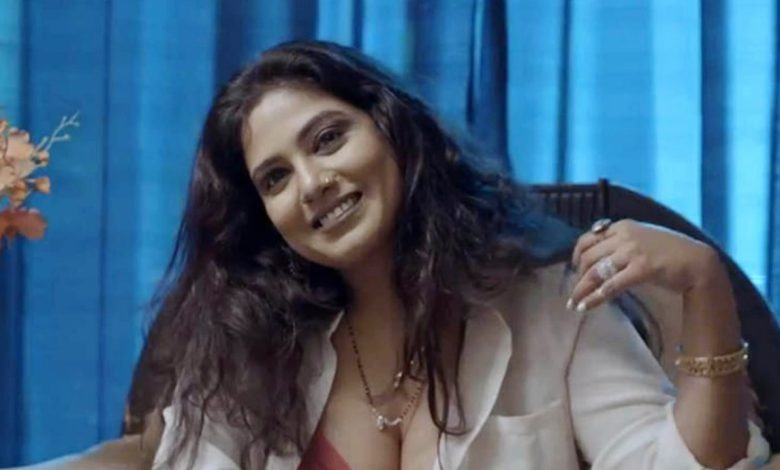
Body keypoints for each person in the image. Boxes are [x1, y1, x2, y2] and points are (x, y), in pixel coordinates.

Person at [145, 40, 769, 469]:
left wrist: (704, 284)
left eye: (329, 139)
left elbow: (676, 464)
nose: (312, 184)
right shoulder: (244, 344)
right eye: (276, 178)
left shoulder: (551, 299)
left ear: (392, 128)